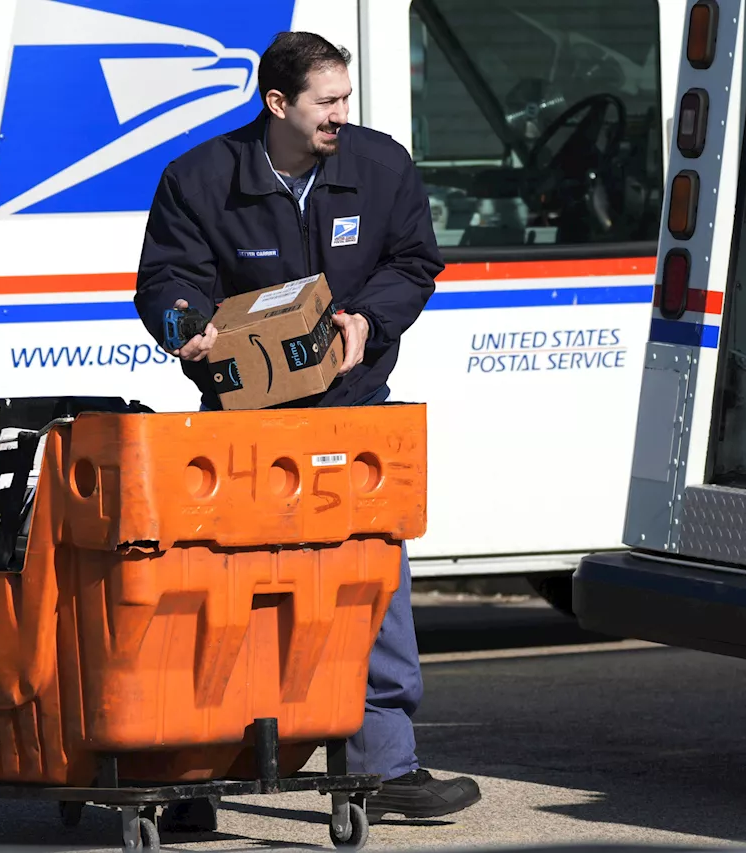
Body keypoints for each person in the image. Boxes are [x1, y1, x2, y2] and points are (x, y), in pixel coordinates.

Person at [132, 31, 482, 827]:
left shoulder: (380, 164)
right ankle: (202, 773)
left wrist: (369, 315)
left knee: (370, 584)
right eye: (326, 101)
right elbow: (167, 279)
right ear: (278, 104)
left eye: (346, 99)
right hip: (245, 428)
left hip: (354, 414)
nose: (340, 115)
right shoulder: (201, 179)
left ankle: (386, 766)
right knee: (232, 598)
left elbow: (415, 261)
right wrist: (183, 322)